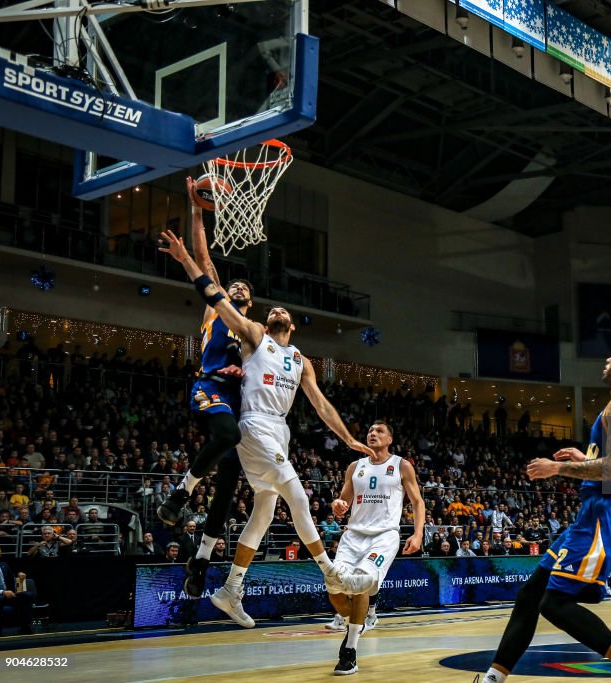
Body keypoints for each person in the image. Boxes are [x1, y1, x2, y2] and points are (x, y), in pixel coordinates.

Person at [160, 228, 374, 628]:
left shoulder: (301, 359)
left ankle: (230, 588)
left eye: (284, 313)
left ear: (292, 326)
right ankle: (331, 572)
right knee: (296, 493)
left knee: (264, 510)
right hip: (254, 423)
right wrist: (186, 260)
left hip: (280, 431)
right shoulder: (254, 335)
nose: (278, 312)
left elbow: (321, 404)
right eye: (273, 310)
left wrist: (347, 438)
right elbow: (214, 293)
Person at [479, 338, 611, 683]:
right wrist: (585, 459)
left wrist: (557, 469)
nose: (608, 359)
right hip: (596, 509)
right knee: (531, 595)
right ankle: (494, 677)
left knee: (554, 604)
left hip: (609, 511)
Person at [158, 179, 256, 598]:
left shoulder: (253, 333)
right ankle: (181, 495)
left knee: (231, 487)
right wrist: (196, 207)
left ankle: (200, 559)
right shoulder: (217, 310)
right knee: (228, 435)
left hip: (238, 402)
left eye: (243, 290)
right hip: (208, 387)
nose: (236, 289)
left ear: (250, 303)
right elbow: (202, 259)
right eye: (232, 287)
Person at [324, 420, 425, 675]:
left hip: (384, 536)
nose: (372, 434)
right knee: (333, 587)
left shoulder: (401, 465)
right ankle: (357, 621)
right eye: (370, 431)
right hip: (353, 535)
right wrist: (337, 504)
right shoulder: (354, 467)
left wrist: (418, 533)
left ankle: (350, 650)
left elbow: (417, 500)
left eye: (379, 431)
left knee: (361, 582)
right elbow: (343, 499)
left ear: (389, 439)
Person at [0, 543, 33, 635]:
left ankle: (25, 628)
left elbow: (12, 579)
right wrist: (2, 592)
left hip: (9, 594)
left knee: (27, 595)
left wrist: (19, 576)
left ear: (0, 552)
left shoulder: (4, 565)